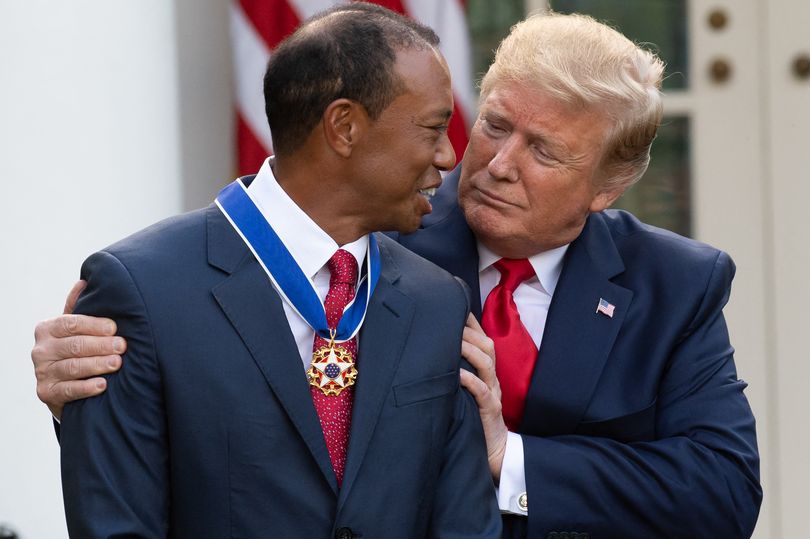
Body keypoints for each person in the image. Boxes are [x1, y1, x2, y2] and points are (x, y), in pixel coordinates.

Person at [32, 11, 762, 539]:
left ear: (608, 185)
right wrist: (110, 378)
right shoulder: (374, 231)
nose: (494, 164)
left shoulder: (677, 286)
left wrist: (510, 460)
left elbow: (723, 492)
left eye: (543, 151)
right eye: (495, 125)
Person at [46, 4, 502, 538]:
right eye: (433, 128)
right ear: (344, 127)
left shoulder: (437, 302)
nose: (451, 156)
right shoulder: (142, 291)